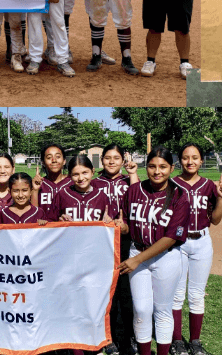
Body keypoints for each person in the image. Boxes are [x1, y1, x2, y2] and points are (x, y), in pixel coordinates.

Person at [120, 147, 191, 355]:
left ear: (172, 168)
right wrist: (119, 225)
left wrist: (137, 259)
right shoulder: (133, 190)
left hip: (166, 257)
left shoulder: (180, 195)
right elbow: (126, 223)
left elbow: (171, 237)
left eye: (163, 167)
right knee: (141, 310)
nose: (157, 171)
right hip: (137, 251)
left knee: (162, 310)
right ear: (146, 167)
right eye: (152, 166)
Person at [170, 144, 222, 355]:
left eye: (195, 157)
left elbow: (216, 219)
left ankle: (195, 341)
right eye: (186, 157)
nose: (190, 161)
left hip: (202, 241)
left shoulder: (208, 185)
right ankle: (177, 341)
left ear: (202, 161)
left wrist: (220, 198)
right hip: (178, 243)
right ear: (180, 161)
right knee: (176, 294)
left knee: (196, 294)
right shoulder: (172, 184)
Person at [91, 144, 138, 355]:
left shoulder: (128, 181)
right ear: (102, 160)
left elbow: (138, 199)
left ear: (122, 160)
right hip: (101, 242)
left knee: (125, 291)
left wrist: (133, 174)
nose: (112, 161)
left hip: (126, 239)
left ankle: (128, 335)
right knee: (104, 291)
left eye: (116, 158)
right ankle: (106, 337)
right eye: (108, 158)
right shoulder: (94, 183)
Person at [54, 155, 119, 222]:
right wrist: (59, 222)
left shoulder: (102, 197)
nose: (81, 178)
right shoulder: (62, 195)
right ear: (70, 175)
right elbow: (51, 223)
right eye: (76, 174)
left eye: (85, 173)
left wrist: (110, 221)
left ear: (92, 172)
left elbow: (112, 225)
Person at [35, 144, 72, 218]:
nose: (54, 160)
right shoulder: (39, 184)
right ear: (43, 162)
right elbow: (33, 213)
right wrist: (34, 190)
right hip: (44, 228)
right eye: (49, 157)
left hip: (68, 228)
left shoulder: (72, 183)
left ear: (64, 161)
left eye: (58, 157)